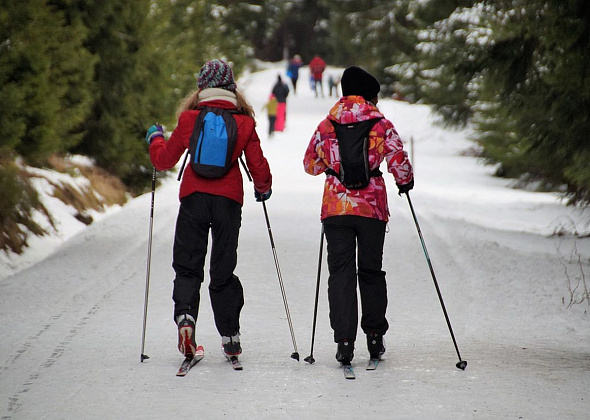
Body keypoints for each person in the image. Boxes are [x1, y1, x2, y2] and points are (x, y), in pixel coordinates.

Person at [145, 59, 272, 362]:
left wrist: (155, 139)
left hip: (194, 198)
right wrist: (263, 188)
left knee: (188, 266)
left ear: (202, 86)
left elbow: (163, 160)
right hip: (229, 202)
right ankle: (230, 336)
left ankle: (186, 319)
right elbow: (258, 167)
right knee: (222, 269)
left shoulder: (191, 118)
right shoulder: (244, 122)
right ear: (231, 86)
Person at [303, 66, 414, 365]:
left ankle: (344, 341)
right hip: (371, 208)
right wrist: (405, 182)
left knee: (340, 273)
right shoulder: (381, 123)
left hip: (336, 208)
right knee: (371, 271)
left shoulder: (327, 124)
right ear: (369, 95)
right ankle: (375, 337)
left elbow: (309, 164)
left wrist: (332, 166)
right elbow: (398, 159)